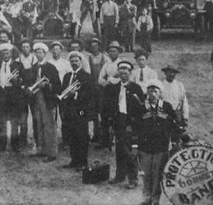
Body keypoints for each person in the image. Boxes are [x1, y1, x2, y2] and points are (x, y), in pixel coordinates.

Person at [135, 79, 179, 205]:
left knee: (158, 174)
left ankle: (155, 199)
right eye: (149, 91)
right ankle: (146, 198)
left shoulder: (167, 107)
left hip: (161, 147)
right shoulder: (142, 108)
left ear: (160, 93)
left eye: (155, 91)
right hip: (145, 147)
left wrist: (175, 141)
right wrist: (135, 145)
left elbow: (174, 126)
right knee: (147, 174)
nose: (152, 94)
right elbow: (135, 127)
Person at [104, 61, 143, 189]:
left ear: (130, 73)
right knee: (120, 150)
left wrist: (133, 125)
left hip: (130, 122)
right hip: (118, 121)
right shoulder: (113, 88)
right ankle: (120, 176)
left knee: (131, 152)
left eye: (126, 70)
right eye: (121, 70)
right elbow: (109, 107)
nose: (123, 72)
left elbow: (140, 109)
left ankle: (133, 178)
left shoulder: (136, 88)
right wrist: (110, 124)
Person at [59, 51, 95, 171]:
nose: (74, 63)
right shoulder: (67, 76)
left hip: (81, 110)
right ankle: (74, 161)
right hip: (69, 110)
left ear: (80, 62)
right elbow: (63, 92)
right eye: (72, 61)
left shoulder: (86, 76)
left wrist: (76, 94)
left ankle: (83, 162)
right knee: (72, 136)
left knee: (82, 136)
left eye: (76, 61)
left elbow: (90, 94)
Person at [30, 43, 62, 162]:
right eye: (37, 52)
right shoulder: (33, 67)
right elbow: (30, 83)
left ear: (45, 54)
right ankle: (42, 150)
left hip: (47, 99)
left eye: (41, 52)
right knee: (39, 125)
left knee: (49, 126)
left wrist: (48, 85)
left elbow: (58, 86)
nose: (38, 54)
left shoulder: (51, 67)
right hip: (36, 98)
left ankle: (52, 152)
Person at [0, 43, 25, 152]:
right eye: (3, 54)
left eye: (7, 53)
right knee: (1, 121)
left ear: (11, 54)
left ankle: (15, 144)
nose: (5, 55)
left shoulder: (18, 65)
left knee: (14, 121)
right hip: (1, 94)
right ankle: (2, 144)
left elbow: (23, 81)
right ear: (0, 55)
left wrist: (16, 81)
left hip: (13, 95)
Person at [17, 40, 38, 147]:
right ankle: (23, 139)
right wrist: (22, 86)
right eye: (23, 47)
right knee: (23, 117)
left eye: (27, 47)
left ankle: (37, 138)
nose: (25, 49)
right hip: (22, 92)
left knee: (35, 116)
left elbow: (36, 76)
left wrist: (32, 88)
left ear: (30, 48)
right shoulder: (18, 60)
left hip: (33, 91)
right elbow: (17, 76)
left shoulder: (34, 59)